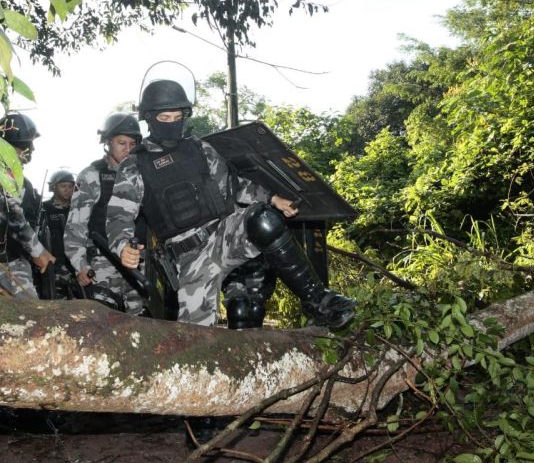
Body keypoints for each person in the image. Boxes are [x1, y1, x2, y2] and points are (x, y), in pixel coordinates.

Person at [106, 79, 355, 328]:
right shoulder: (135, 165)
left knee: (263, 220)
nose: (172, 123)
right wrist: (122, 246)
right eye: (165, 118)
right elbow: (118, 216)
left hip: (223, 235)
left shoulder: (201, 149)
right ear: (149, 118)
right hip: (189, 258)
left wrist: (272, 198)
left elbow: (234, 186)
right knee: (195, 341)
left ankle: (319, 302)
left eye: (177, 116)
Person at [63, 112, 145, 314]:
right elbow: (76, 226)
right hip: (101, 263)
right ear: (108, 142)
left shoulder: (141, 174)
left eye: (132, 144)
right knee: (103, 324)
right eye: (121, 143)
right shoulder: (92, 175)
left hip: (137, 263)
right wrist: (80, 265)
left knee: (141, 326)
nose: (127, 150)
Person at [0, 113, 55, 298]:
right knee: (25, 313)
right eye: (25, 145)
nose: (31, 149)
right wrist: (37, 250)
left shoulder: (25, 184)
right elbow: (6, 213)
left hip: (15, 258)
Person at [38, 170, 78, 299]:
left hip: (77, 264)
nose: (67, 190)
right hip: (54, 265)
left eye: (70, 186)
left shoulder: (79, 208)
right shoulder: (43, 209)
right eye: (63, 186)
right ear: (53, 187)